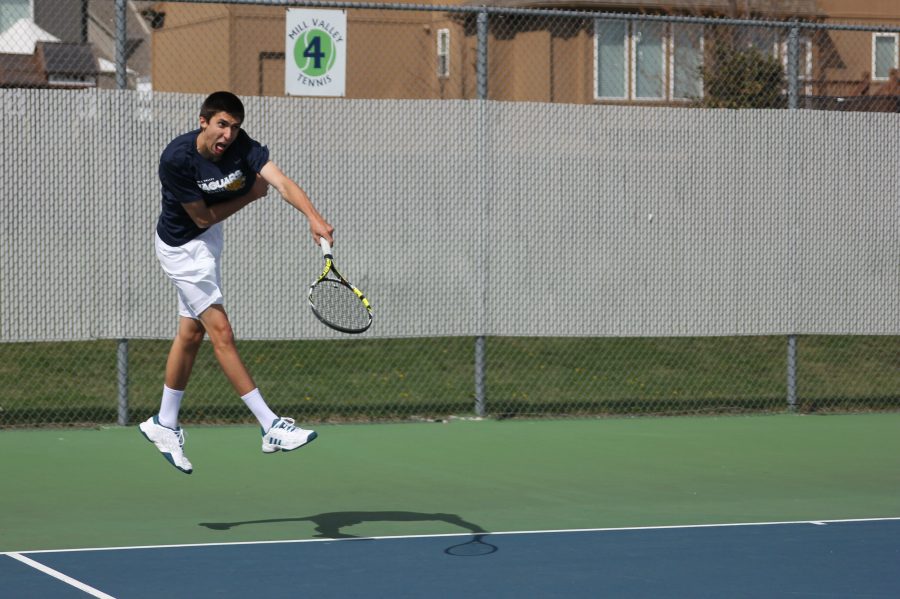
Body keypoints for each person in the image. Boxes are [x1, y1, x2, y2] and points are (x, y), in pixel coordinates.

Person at [139, 91, 334, 474]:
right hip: (181, 248)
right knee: (221, 332)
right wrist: (252, 195)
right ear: (204, 122)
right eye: (222, 125)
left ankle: (164, 422)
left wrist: (314, 216)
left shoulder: (242, 147)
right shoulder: (176, 159)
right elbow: (201, 218)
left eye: (234, 126)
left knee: (191, 335)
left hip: (207, 244)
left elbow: (281, 182)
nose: (228, 134)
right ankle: (269, 425)